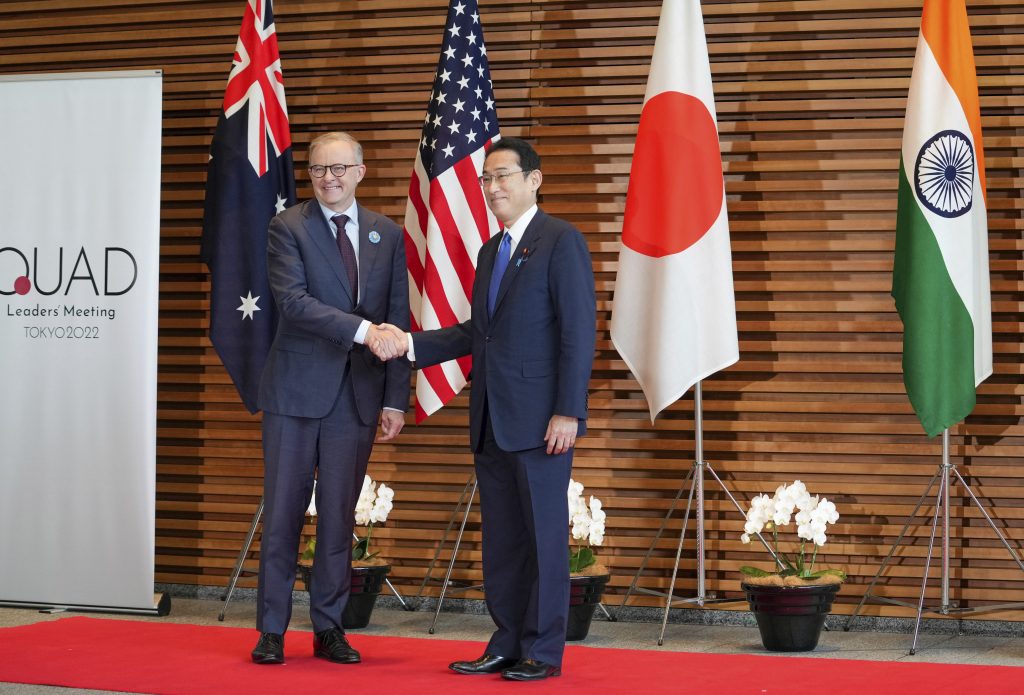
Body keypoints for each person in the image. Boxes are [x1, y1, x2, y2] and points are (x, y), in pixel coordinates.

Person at [373, 137, 596, 681]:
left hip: (543, 422)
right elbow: (480, 334)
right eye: (486, 180)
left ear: (534, 180)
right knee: (503, 541)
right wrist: (410, 343)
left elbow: (578, 332)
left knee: (544, 541)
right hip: (492, 419)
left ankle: (543, 650)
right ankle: (507, 641)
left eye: (503, 177)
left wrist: (568, 411)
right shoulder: (490, 251)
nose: (493, 188)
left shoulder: (560, 240)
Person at [250, 131, 410, 665]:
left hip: (358, 400)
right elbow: (293, 303)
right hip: (295, 394)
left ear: (361, 172)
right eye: (319, 169)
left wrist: (395, 399)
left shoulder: (387, 235)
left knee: (339, 518)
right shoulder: (287, 226)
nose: (330, 178)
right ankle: (272, 628)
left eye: (340, 168)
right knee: (283, 516)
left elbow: (397, 318)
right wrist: (365, 332)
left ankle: (329, 628)